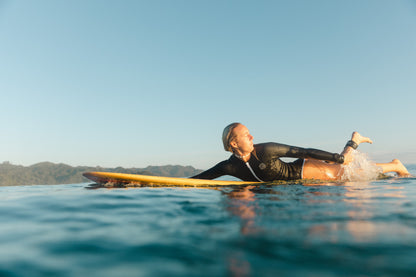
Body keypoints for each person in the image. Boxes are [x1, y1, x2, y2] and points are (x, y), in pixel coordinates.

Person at [191, 123, 410, 182]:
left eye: (250, 133)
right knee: (352, 174)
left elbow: (302, 150)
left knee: (348, 171)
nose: (252, 137)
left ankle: (357, 143)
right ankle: (392, 165)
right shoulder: (230, 166)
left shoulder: (265, 149)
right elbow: (200, 179)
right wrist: (163, 183)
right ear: (233, 143)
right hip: (300, 182)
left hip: (305, 169)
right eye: (246, 135)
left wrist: (337, 158)